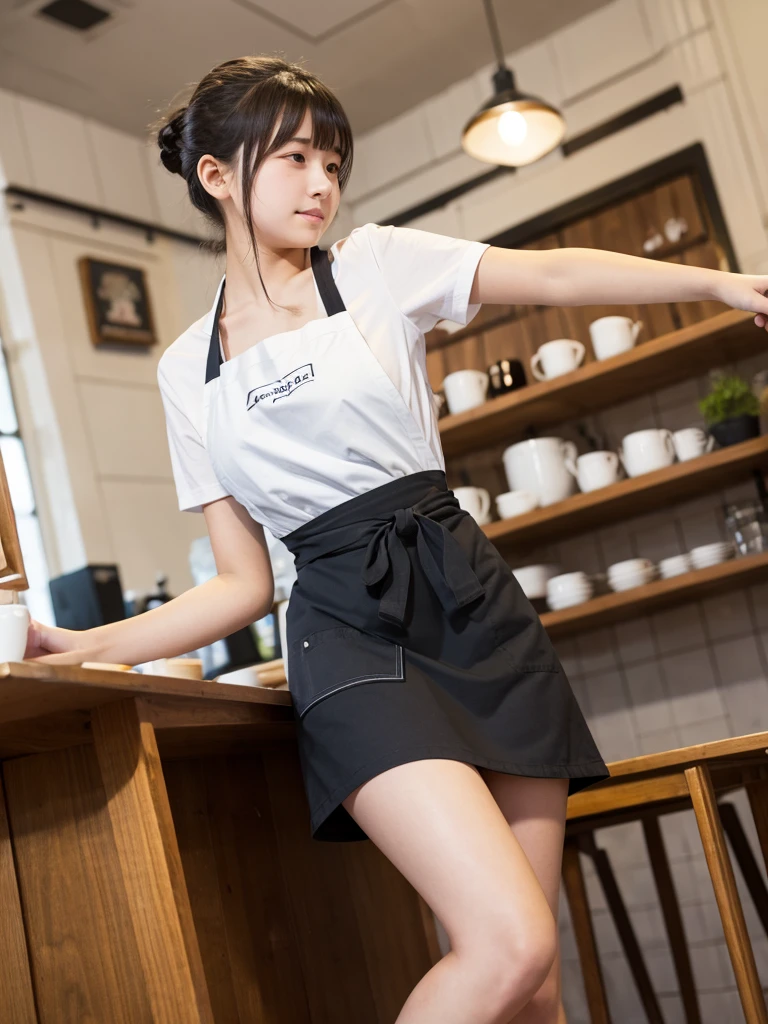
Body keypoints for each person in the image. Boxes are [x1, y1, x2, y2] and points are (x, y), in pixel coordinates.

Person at [25, 55, 768, 1024]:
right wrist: (87, 647)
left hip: (475, 605)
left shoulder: (375, 264)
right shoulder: (183, 369)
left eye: (331, 159)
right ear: (215, 175)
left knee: (530, 980)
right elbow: (240, 584)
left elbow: (546, 272)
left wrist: (720, 284)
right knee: (511, 941)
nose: (321, 182)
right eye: (292, 158)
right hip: (348, 633)